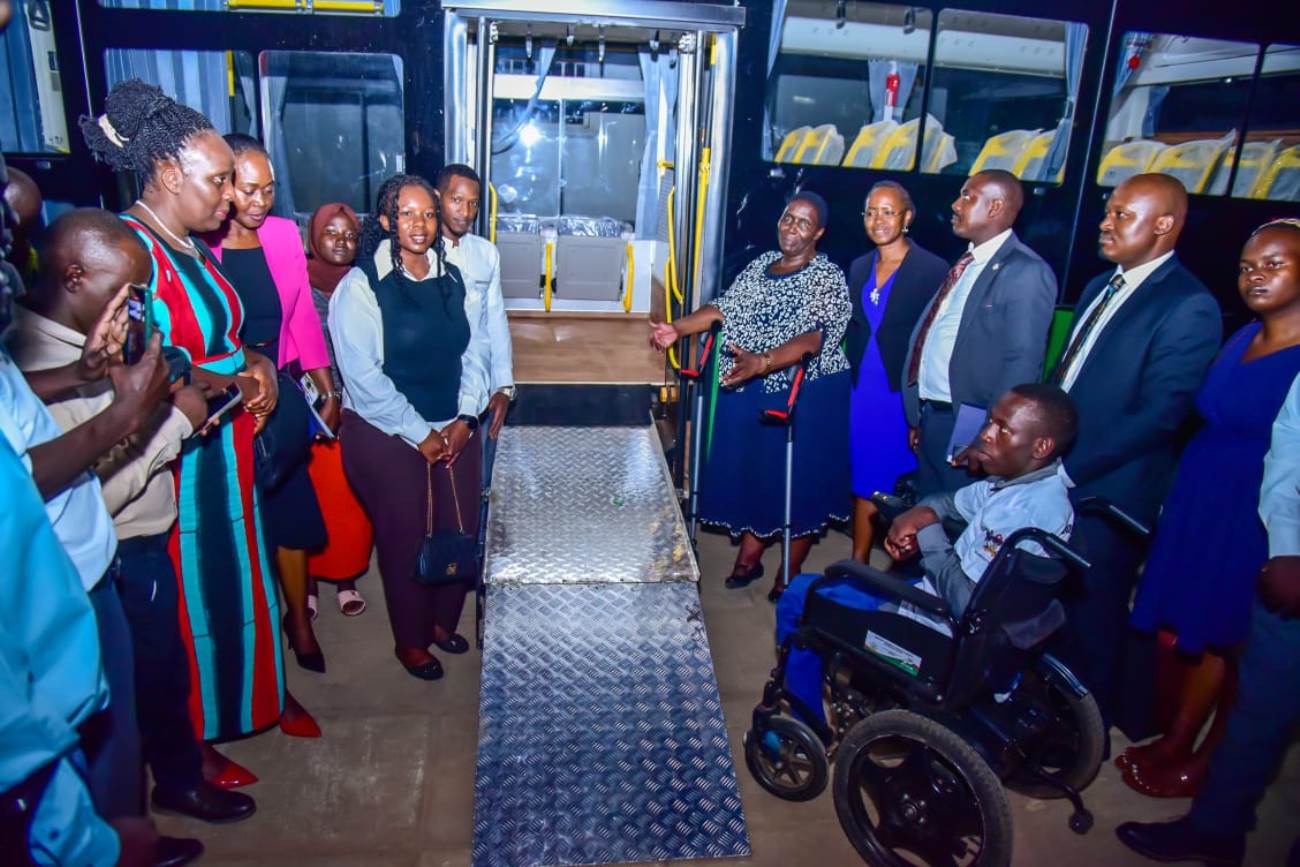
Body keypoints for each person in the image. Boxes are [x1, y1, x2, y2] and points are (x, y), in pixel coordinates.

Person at [80, 79, 314, 789]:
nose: (230, 197)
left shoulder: (188, 243)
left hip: (228, 454)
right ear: (167, 173)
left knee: (242, 584)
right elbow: (146, 369)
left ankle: (260, 694)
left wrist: (259, 361)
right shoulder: (132, 253)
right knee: (194, 601)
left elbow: (227, 337)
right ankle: (194, 737)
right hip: (181, 465)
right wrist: (235, 379)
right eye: (218, 182)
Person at [7, 208, 256, 826]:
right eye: (125, 293)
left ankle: (169, 783)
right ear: (72, 277)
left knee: (159, 678)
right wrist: (176, 421)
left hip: (136, 544)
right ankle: (129, 825)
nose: (136, 308)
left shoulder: (83, 351)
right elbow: (89, 486)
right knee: (123, 707)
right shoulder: (28, 352)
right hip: (110, 554)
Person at [1118, 219, 1300, 797]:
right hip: (1205, 496)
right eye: (1248, 266)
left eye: (1276, 263)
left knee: (1246, 643)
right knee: (1207, 628)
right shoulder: (1244, 335)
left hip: (1259, 512)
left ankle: (1214, 760)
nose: (1256, 275)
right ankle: (1179, 739)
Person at [777, 384, 1077, 722]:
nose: (986, 435)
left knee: (803, 594)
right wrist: (918, 516)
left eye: (1002, 428)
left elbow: (966, 601)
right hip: (978, 634)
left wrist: (928, 532)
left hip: (933, 637)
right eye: (990, 422)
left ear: (1041, 445)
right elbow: (948, 503)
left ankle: (806, 722)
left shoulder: (1021, 513)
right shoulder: (1028, 487)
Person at [1048, 173, 1222, 738]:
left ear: (1165, 225)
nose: (1106, 222)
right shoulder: (1103, 283)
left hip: (1112, 491)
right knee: (1053, 607)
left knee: (1094, 616)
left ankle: (1086, 736)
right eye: (1109, 211)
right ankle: (1052, 712)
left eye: (1123, 214)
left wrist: (1068, 469)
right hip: (1059, 472)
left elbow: (1159, 414)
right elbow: (1069, 376)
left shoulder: (1189, 305)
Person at [1116, 370, 1300, 867]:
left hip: (1245, 511)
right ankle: (1215, 826)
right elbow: (1291, 442)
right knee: (1260, 706)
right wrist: (1287, 544)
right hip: (1281, 547)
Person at [651, 192, 851, 600]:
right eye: (788, 217)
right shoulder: (761, 264)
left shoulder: (826, 276)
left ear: (820, 233)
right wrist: (678, 328)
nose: (791, 227)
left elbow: (817, 336)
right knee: (754, 474)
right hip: (749, 385)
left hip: (803, 392)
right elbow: (724, 308)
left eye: (804, 222)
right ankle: (753, 548)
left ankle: (789, 570)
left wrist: (765, 361)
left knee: (796, 482)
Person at [330, 173, 489, 681]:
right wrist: (421, 433)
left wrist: (466, 417)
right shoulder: (361, 287)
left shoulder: (453, 276)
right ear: (385, 222)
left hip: (453, 424)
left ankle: (442, 623)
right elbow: (362, 378)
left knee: (459, 529)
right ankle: (411, 641)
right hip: (386, 433)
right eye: (405, 214)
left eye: (426, 213)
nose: (418, 224)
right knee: (406, 537)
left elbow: (474, 352)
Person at [207, 133, 336, 673]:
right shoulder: (199, 245)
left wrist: (325, 387)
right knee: (240, 522)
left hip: (280, 391)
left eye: (269, 191)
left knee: (291, 511)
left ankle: (299, 622)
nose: (260, 203)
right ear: (222, 185)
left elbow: (302, 314)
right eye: (249, 190)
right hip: (225, 398)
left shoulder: (283, 237)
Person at [901, 169, 1057, 498]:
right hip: (935, 418)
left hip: (971, 422)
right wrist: (919, 415)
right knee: (927, 517)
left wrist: (990, 432)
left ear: (996, 207)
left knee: (958, 523)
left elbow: (1022, 363)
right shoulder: (968, 262)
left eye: (968, 196)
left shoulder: (1025, 271)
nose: (956, 204)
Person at [844, 180, 949, 562]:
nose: (878, 220)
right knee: (863, 481)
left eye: (888, 211)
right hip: (863, 392)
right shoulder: (858, 267)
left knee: (901, 482)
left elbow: (935, 339)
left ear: (907, 217)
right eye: (871, 212)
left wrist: (919, 407)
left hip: (900, 394)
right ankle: (859, 566)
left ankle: (901, 568)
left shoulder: (932, 269)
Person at [304, 201, 370, 617]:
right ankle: (306, 581)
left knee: (350, 499)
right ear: (313, 238)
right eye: (332, 233)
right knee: (310, 498)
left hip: (359, 407)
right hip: (310, 406)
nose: (341, 242)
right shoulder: (293, 281)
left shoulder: (364, 284)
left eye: (349, 235)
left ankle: (347, 578)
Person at [435, 163, 515, 482]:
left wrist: (504, 386)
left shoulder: (486, 254)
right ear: (437, 197)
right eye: (456, 200)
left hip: (478, 386)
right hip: (434, 392)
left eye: (473, 203)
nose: (465, 212)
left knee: (478, 483)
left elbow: (495, 322)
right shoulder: (418, 253)